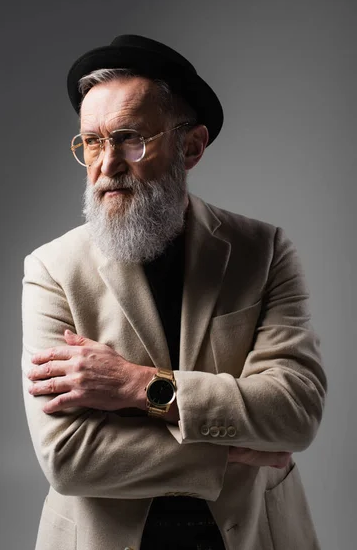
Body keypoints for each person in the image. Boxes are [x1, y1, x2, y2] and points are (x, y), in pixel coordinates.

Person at [22, 34, 327, 550]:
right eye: (92, 142)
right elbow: (69, 457)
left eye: (130, 138)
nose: (107, 164)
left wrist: (139, 386)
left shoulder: (265, 250)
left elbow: (295, 412)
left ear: (191, 146)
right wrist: (227, 451)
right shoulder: (51, 269)